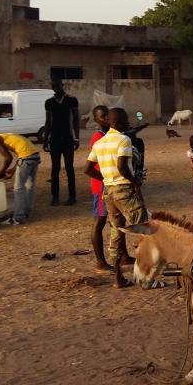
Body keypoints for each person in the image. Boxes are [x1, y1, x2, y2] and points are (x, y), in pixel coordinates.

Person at [84, 108, 143, 288]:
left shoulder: (100, 143)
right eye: (126, 119)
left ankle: (118, 278)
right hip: (124, 189)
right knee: (141, 229)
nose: (128, 123)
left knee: (116, 232)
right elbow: (122, 166)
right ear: (119, 122)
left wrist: (106, 179)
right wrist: (135, 181)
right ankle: (146, 275)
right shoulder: (124, 139)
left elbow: (87, 168)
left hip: (108, 191)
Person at [0, 132, 40, 225]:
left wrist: (0, 173)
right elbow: (21, 155)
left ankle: (18, 217)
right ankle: (26, 212)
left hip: (26, 158)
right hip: (34, 156)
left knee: (18, 188)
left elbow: (8, 158)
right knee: (29, 186)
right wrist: (13, 170)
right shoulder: (7, 136)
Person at [43, 81, 80, 206]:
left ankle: (72, 196)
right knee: (55, 168)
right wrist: (45, 139)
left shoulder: (71, 100)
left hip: (68, 138)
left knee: (69, 168)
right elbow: (48, 121)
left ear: (62, 86)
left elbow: (76, 121)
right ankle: (55, 197)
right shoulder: (49, 102)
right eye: (53, 86)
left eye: (57, 86)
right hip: (54, 139)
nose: (55, 89)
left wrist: (77, 138)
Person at [88, 105, 113, 271]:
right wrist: (105, 179)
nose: (106, 119)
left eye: (107, 116)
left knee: (116, 222)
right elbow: (90, 167)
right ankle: (100, 261)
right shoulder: (98, 137)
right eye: (102, 117)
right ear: (96, 120)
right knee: (100, 221)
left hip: (109, 184)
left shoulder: (108, 135)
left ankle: (123, 255)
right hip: (101, 186)